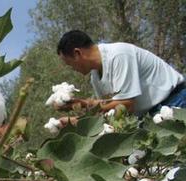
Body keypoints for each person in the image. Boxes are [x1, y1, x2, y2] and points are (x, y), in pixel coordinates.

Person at [56, 30, 185, 117]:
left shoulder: (119, 55)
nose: (72, 68)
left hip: (175, 102)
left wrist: (85, 103)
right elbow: (108, 109)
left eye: (69, 64)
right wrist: (75, 120)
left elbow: (126, 105)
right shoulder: (95, 77)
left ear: (77, 53)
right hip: (153, 115)